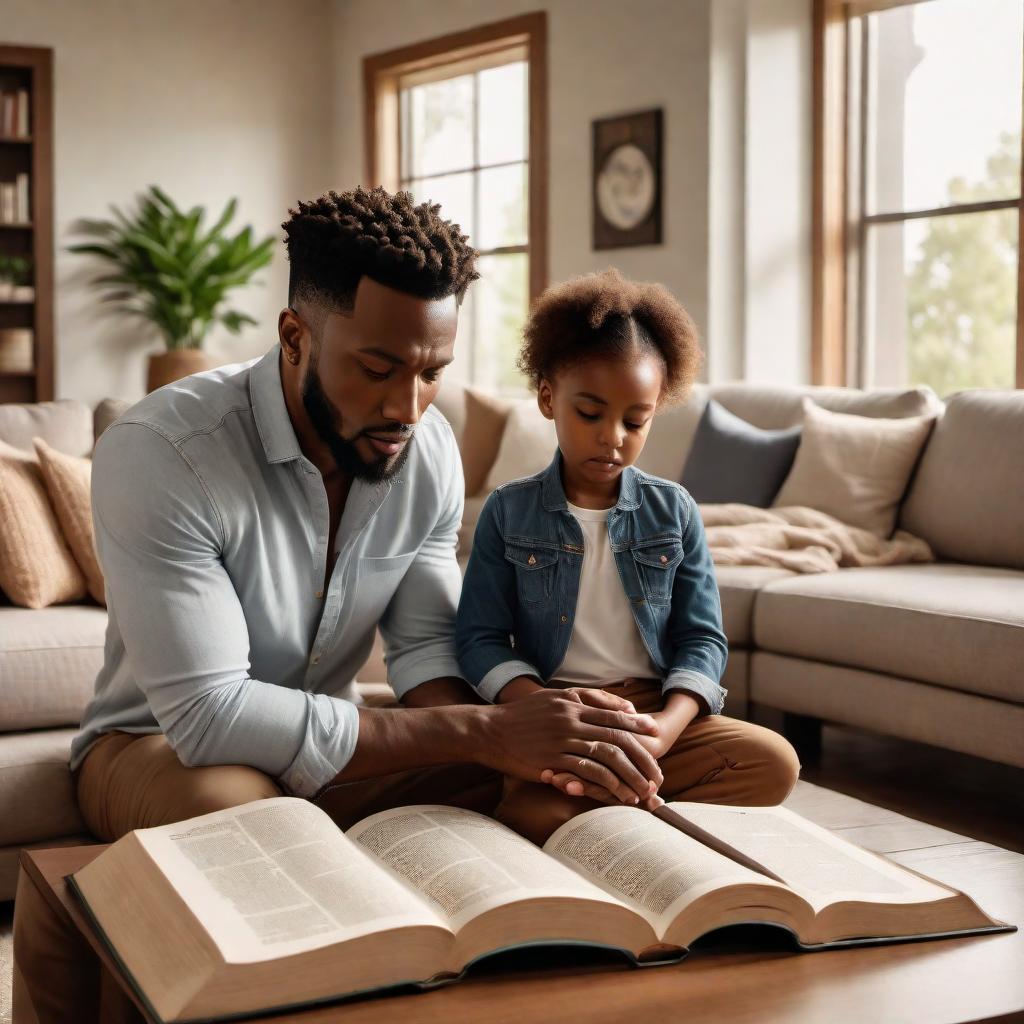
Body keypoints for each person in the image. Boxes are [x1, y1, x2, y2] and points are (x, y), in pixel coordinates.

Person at [13, 190, 666, 1023]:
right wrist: (486, 736)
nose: (408, 407)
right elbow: (210, 716)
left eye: (433, 372)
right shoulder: (161, 450)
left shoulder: (423, 448)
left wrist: (535, 718)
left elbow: (428, 649)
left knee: (679, 758)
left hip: (337, 739)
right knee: (245, 815)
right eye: (379, 367)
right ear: (295, 338)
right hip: (154, 748)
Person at [456, 269, 801, 844]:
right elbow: (478, 638)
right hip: (553, 706)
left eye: (634, 421)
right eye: (590, 414)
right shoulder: (507, 512)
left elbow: (703, 639)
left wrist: (665, 728)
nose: (612, 436)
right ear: (548, 398)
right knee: (537, 817)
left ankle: (612, 789)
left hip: (648, 711)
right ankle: (618, 795)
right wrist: (541, 710)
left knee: (773, 762)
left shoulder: (675, 511)